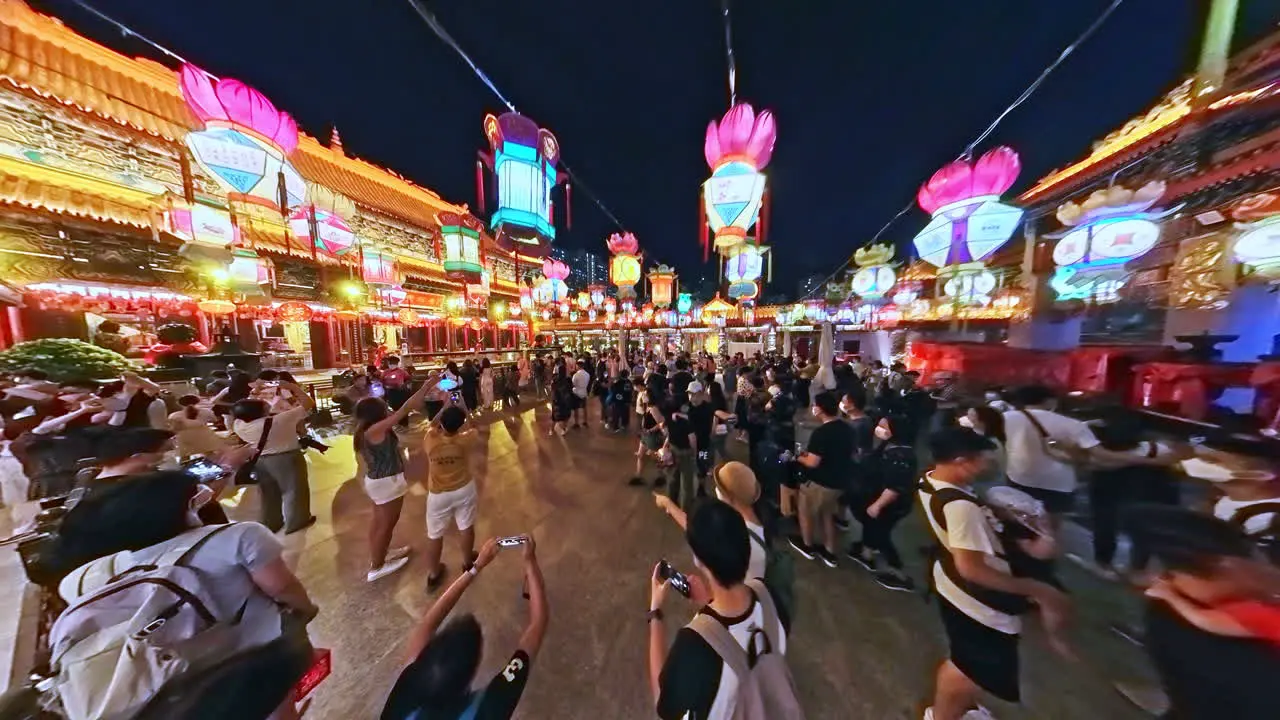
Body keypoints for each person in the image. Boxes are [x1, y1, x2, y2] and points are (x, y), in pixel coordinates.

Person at [56, 463, 319, 720]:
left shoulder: (97, 571)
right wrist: (306, 609)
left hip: (167, 677)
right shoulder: (239, 536)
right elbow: (281, 587)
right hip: (252, 656)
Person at [919, 428, 1069, 720]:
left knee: (968, 662)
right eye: (983, 460)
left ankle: (960, 709)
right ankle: (941, 715)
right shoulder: (961, 507)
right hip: (977, 601)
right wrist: (1038, 589)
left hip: (952, 583)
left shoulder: (931, 480)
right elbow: (971, 568)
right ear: (962, 460)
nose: (989, 466)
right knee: (968, 670)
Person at [1128, 505, 1280, 719]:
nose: (1270, 568)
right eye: (1260, 556)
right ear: (1226, 564)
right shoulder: (1211, 634)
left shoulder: (1172, 600)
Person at [649, 501, 795, 720]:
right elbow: (741, 629)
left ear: (698, 560)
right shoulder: (772, 598)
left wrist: (655, 613)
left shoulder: (695, 644)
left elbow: (665, 705)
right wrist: (708, 602)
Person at [382, 535, 548, 720]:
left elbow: (427, 624)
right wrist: (530, 561)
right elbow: (538, 623)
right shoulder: (491, 706)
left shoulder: (406, 690)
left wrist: (475, 568)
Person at [1002, 384, 1159, 525]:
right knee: (1051, 527)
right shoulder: (1071, 424)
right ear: (1050, 401)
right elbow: (1102, 455)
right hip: (1057, 484)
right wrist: (1142, 459)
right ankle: (1048, 553)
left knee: (1019, 524)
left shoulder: (1005, 419)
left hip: (1019, 477)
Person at [355, 376, 439, 582]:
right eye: (383, 406)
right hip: (387, 483)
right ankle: (377, 566)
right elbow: (406, 408)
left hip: (378, 481)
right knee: (386, 524)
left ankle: (380, 554)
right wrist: (428, 385)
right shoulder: (375, 429)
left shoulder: (366, 430)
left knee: (378, 522)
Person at [655, 461, 768, 580]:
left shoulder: (738, 535)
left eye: (720, 489)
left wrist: (667, 503)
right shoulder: (754, 521)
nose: (716, 491)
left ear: (731, 498)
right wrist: (668, 503)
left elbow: (697, 532)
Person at [231, 380, 316, 534]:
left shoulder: (238, 424)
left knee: (268, 493)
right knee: (294, 490)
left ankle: (272, 522)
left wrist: (256, 390)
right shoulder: (278, 421)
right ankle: (297, 521)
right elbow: (308, 403)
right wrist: (291, 387)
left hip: (261, 460)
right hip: (286, 458)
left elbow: (246, 406)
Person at [847, 413, 918, 591]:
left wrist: (877, 505)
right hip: (875, 497)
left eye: (883, 427)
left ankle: (898, 572)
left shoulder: (901, 455)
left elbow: (896, 486)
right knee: (871, 526)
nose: (878, 429)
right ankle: (866, 553)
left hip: (888, 505)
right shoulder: (890, 446)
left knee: (882, 535)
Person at [790, 391, 855, 567]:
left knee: (806, 513)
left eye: (814, 405)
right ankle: (830, 552)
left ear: (820, 409)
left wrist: (798, 457)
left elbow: (812, 462)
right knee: (828, 515)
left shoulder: (822, 433)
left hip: (820, 483)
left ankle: (808, 545)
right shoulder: (847, 428)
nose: (812, 408)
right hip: (839, 482)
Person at [422, 405, 479, 591]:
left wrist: (444, 407)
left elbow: (431, 424)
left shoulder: (430, 440)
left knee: (435, 534)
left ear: (442, 424)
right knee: (466, 526)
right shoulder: (466, 439)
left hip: (438, 494)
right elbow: (474, 427)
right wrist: (465, 411)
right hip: (464, 488)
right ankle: (467, 562)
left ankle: (433, 573)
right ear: (460, 425)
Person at [660, 399, 698, 512]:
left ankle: (671, 506)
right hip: (685, 452)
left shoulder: (668, 419)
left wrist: (665, 446)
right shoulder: (686, 421)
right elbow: (692, 439)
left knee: (672, 479)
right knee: (687, 484)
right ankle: (686, 510)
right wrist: (694, 453)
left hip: (673, 449)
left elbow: (668, 434)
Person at [960, 405, 1007, 489]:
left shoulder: (989, 443)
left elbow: (986, 470)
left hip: (988, 487)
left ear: (982, 421)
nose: (966, 417)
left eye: (971, 415)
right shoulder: (974, 437)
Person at [168, 394, 224, 459]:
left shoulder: (174, 416)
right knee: (210, 455)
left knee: (184, 458)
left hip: (185, 440)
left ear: (179, 404)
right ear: (197, 402)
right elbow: (215, 420)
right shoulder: (206, 412)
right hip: (205, 437)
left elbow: (174, 429)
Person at [381, 356, 412, 426]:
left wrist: (404, 385)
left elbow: (408, 379)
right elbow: (381, 381)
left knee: (403, 407)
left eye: (393, 363)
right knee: (394, 408)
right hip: (390, 392)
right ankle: (397, 423)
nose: (391, 364)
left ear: (397, 363)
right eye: (390, 363)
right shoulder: (385, 372)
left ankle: (404, 423)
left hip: (401, 392)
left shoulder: (402, 371)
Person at [549, 366, 574, 437]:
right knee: (565, 416)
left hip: (556, 400)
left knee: (554, 416)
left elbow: (552, 389)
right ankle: (563, 429)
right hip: (565, 401)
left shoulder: (555, 379)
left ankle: (551, 430)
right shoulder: (568, 380)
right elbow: (571, 389)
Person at [571, 360, 591, 428]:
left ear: (578, 366)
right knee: (584, 408)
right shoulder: (587, 374)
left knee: (576, 408)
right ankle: (585, 421)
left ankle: (576, 423)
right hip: (584, 392)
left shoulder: (576, 375)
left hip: (576, 393)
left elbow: (573, 384)